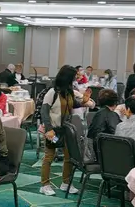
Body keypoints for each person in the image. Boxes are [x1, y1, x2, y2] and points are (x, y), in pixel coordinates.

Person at [40, 65, 94, 196]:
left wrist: (84, 101)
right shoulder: (52, 92)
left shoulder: (68, 91)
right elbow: (44, 111)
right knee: (49, 157)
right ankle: (45, 185)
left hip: (66, 130)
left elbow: (72, 104)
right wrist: (49, 129)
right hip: (53, 130)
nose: (76, 78)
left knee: (69, 157)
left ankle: (66, 182)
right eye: (74, 76)